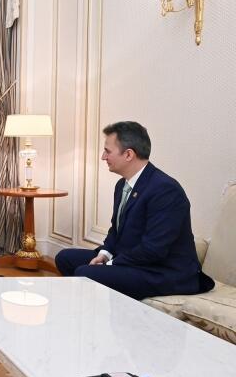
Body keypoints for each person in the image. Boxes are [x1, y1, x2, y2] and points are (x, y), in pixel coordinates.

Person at [54, 121, 214, 300]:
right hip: (132, 260)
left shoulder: (166, 190)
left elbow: (153, 250)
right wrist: (104, 254)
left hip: (162, 271)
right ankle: (90, 308)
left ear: (129, 154)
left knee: (86, 273)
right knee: (65, 258)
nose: (103, 157)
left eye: (107, 151)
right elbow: (116, 230)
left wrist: (112, 264)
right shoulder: (122, 185)